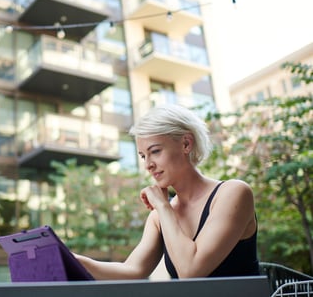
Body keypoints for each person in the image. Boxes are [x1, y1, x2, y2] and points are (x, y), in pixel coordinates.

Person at [74, 104, 259, 279]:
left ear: (186, 144)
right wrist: (69, 258)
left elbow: (191, 270)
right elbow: (133, 270)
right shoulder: (159, 216)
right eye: (143, 156)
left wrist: (162, 206)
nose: (148, 165)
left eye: (155, 151)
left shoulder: (233, 193)